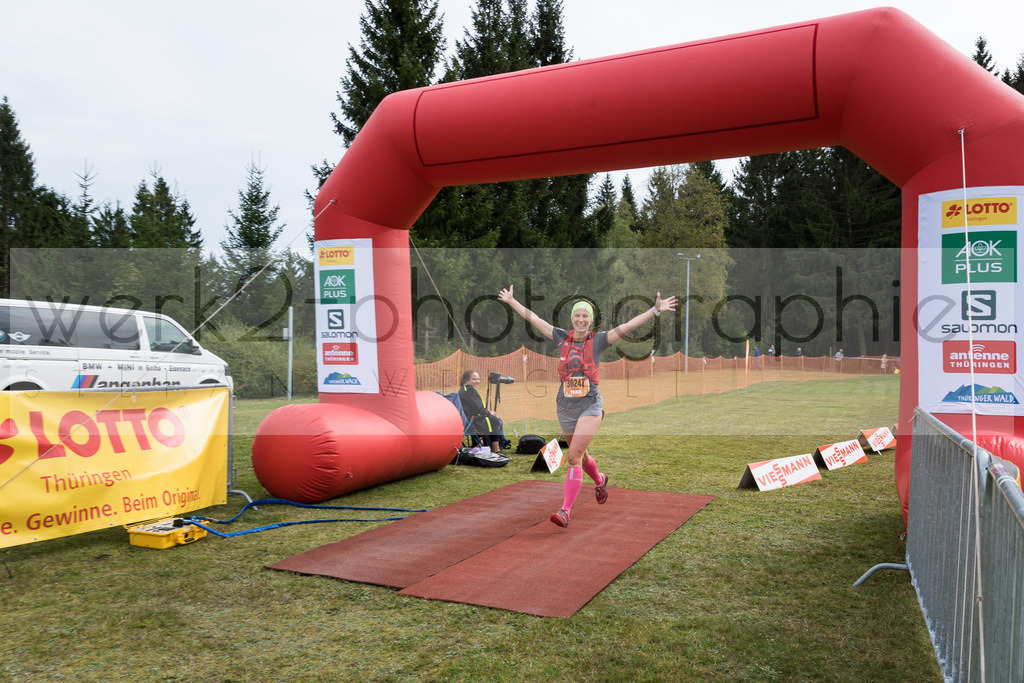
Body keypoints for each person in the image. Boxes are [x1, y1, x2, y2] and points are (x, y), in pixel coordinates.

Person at [498, 286, 678, 528]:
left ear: (590, 320)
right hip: (565, 405)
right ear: (572, 318)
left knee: (572, 457)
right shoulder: (562, 336)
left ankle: (565, 511)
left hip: (590, 405)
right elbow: (535, 319)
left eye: (585, 316)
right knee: (580, 457)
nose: (581, 319)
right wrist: (511, 302)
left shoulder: (599, 340)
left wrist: (654, 311)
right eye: (577, 315)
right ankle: (600, 479)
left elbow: (628, 327)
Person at [458, 370, 505, 453]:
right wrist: (490, 413)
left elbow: (476, 408)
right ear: (466, 380)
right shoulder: (469, 390)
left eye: (478, 379)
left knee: (491, 420)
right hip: (472, 421)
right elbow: (479, 409)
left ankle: (480, 446)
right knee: (495, 421)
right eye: (474, 379)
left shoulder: (464, 389)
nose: (477, 381)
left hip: (468, 420)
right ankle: (496, 450)